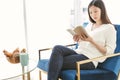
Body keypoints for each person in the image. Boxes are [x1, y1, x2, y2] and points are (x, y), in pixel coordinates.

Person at [48, 0, 116, 80]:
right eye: (90, 12)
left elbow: (109, 51)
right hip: (79, 52)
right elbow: (84, 44)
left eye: (95, 11)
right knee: (57, 48)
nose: (93, 15)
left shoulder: (109, 28)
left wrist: (92, 41)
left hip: (89, 59)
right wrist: (79, 39)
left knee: (55, 62)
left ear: (102, 10)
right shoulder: (90, 25)